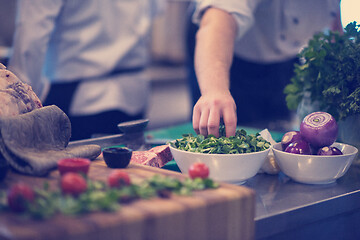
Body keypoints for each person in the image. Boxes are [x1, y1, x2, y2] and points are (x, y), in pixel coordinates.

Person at [9, 0, 165, 140]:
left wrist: (13, 112)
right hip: (135, 94)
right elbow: (155, 12)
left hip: (79, 102)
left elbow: (29, 46)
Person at [189, 0, 343, 138]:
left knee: (273, 133)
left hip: (287, 57)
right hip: (223, 52)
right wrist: (214, 90)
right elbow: (216, 24)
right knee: (221, 128)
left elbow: (334, 21)